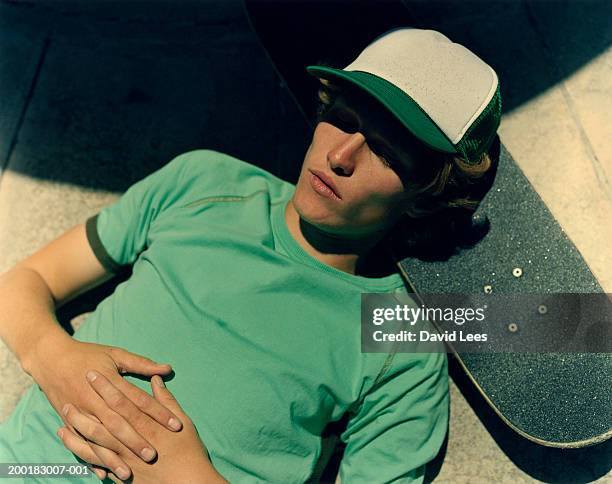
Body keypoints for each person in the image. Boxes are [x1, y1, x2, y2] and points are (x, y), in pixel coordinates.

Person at [0, 28, 501, 482]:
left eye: (387, 151)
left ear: (428, 192)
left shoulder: (397, 338)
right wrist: (52, 356)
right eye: (341, 119)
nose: (340, 156)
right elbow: (23, 282)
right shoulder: (205, 183)